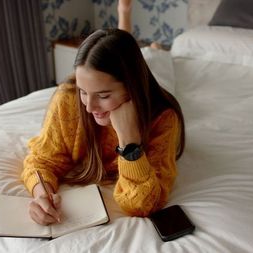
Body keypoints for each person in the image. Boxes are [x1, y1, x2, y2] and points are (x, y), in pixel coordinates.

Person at [20, 18, 185, 225]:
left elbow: (143, 204)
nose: (89, 107)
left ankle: (155, 49)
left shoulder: (164, 118)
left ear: (131, 88)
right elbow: (42, 160)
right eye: (83, 91)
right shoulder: (68, 98)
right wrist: (41, 194)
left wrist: (130, 144)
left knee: (161, 67)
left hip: (152, 90)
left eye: (103, 96)